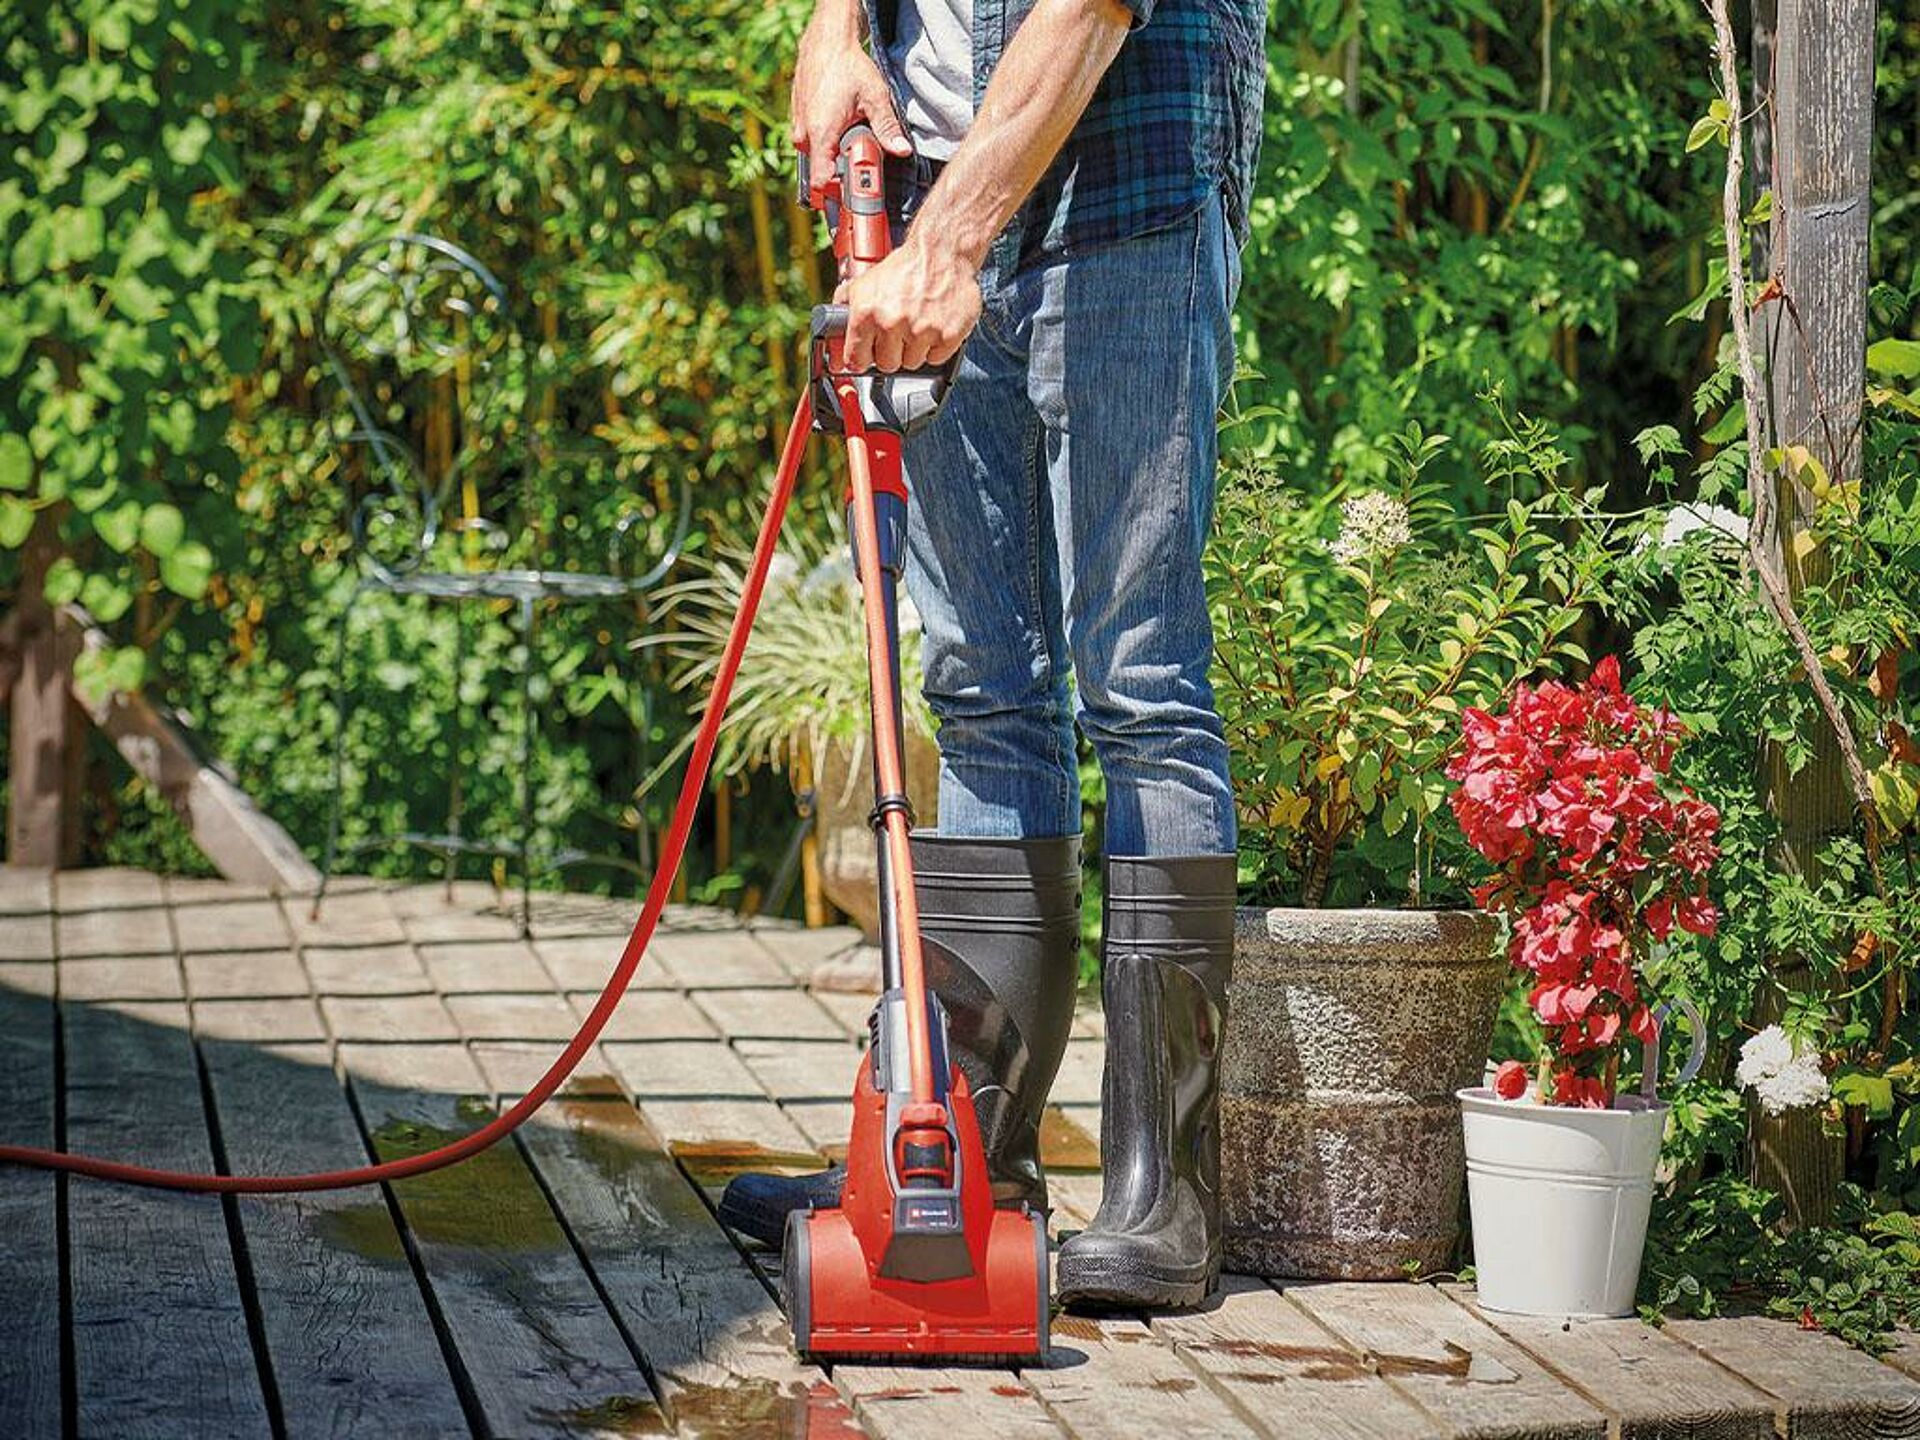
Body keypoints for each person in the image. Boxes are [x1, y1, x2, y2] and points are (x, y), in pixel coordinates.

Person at [719, 0, 1266, 1310]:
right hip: (922, 200)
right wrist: (833, 28)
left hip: (1120, 187)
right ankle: (958, 1159)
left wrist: (949, 243)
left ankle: (1163, 1203)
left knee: (1143, 686)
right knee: (980, 693)